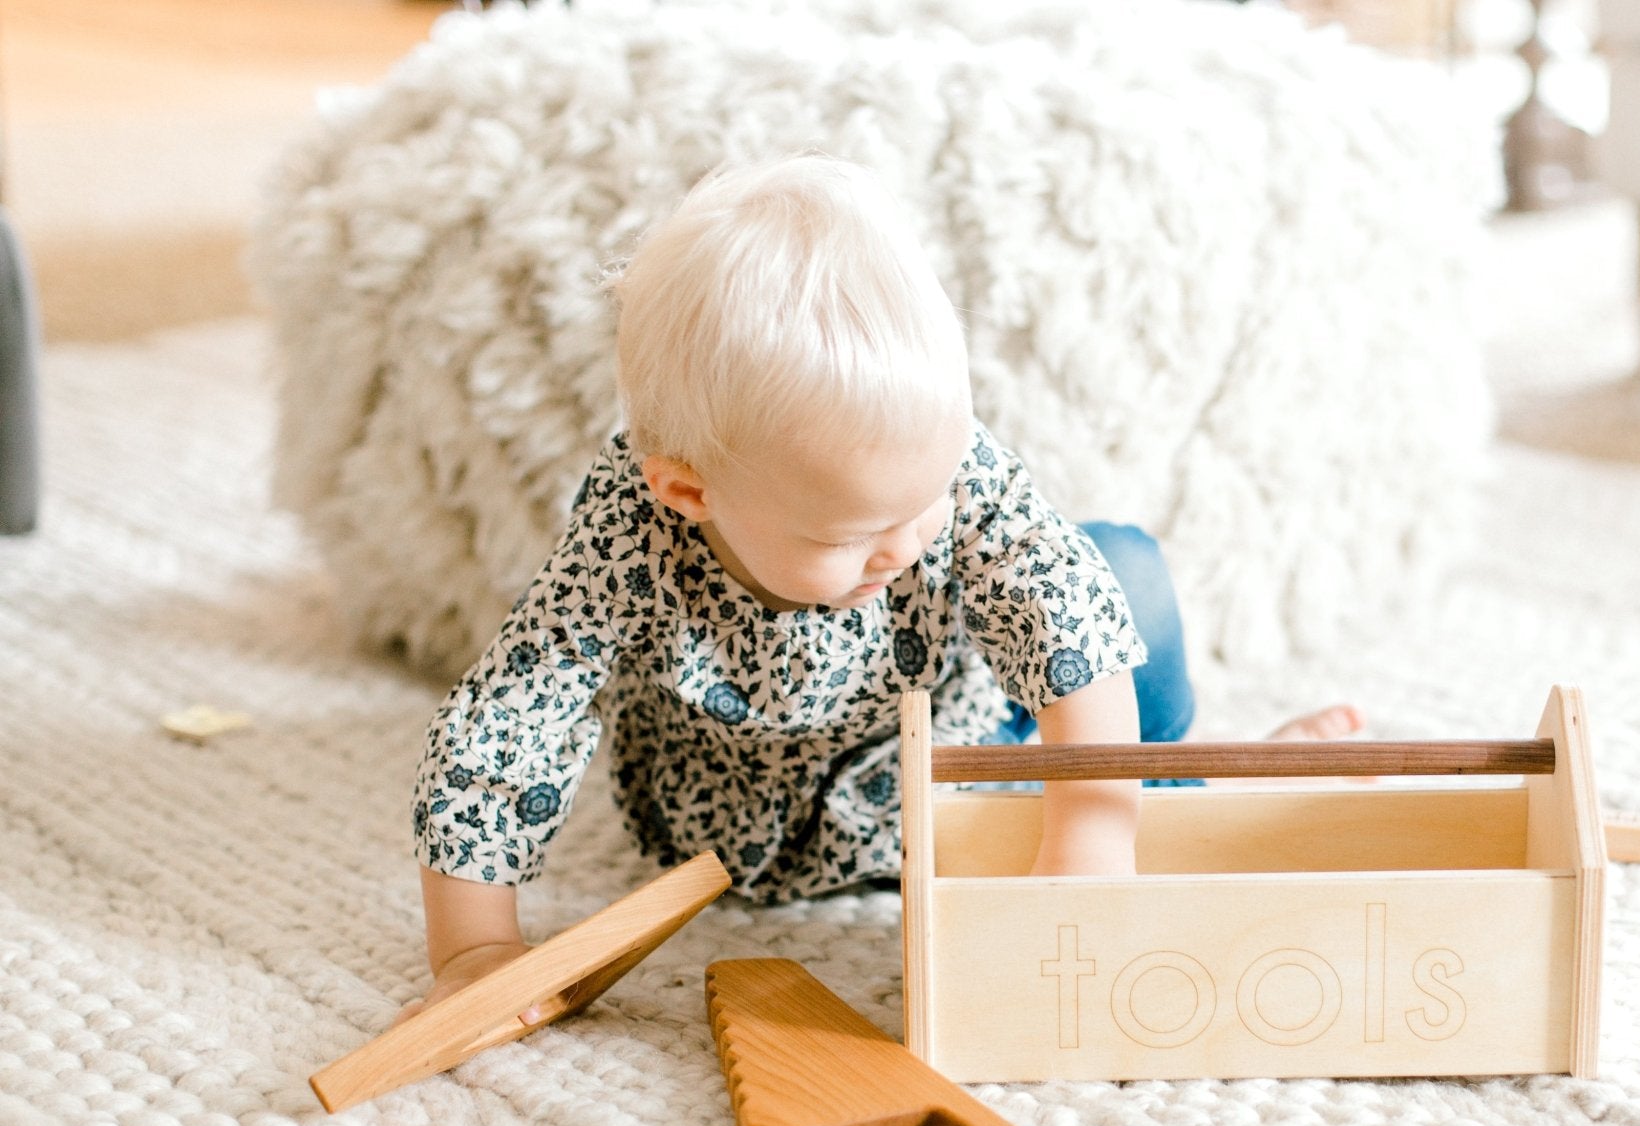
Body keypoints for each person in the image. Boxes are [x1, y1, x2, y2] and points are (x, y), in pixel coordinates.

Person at [397, 154, 1359, 1026]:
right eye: (851, 533)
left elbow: (1058, 605)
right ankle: (1146, 783)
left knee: (1117, 566)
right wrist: (477, 949)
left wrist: (1087, 842)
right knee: (1080, 598)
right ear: (690, 489)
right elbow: (514, 713)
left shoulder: (940, 461)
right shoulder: (629, 525)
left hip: (951, 758)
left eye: (930, 499)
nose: (903, 547)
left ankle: (1166, 781)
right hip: (745, 834)